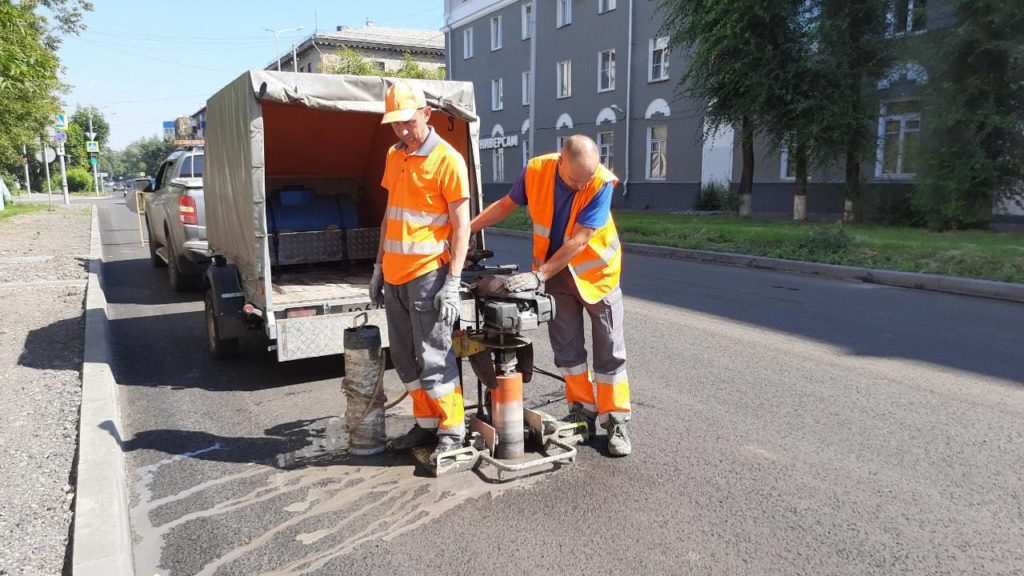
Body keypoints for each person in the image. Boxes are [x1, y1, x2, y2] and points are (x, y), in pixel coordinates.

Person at [470, 135, 632, 456]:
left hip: (596, 275)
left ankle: (616, 421)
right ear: (560, 161)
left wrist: (538, 275)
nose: (579, 185)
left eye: (585, 180)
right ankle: (581, 412)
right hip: (559, 275)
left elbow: (581, 240)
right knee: (568, 348)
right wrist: (468, 228)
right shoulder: (535, 171)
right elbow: (505, 205)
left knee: (609, 347)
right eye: (574, 180)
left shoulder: (599, 183)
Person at [370, 81, 472, 464]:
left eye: (408, 123)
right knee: (404, 356)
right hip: (395, 276)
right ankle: (426, 422)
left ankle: (452, 429)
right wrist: (378, 266)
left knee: (434, 355)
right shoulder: (394, 156)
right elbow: (389, 216)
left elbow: (461, 225)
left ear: (427, 114)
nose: (402, 131)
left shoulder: (447, 160)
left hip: (428, 272)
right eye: (395, 124)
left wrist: (454, 282)